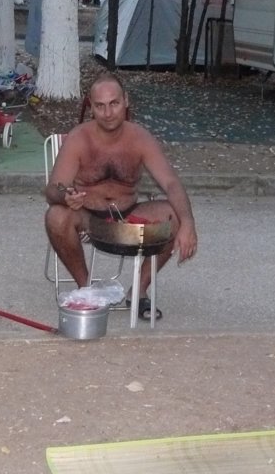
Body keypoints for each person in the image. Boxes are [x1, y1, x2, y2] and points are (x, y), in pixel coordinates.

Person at [43, 73, 198, 320]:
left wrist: (188, 223)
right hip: (87, 217)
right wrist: (65, 196)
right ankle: (87, 290)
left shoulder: (140, 138)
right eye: (100, 106)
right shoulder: (79, 138)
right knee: (56, 216)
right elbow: (53, 189)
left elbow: (171, 183)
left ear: (126, 100)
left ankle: (139, 291)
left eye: (114, 103)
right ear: (91, 107)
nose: (108, 113)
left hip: (127, 215)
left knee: (175, 216)